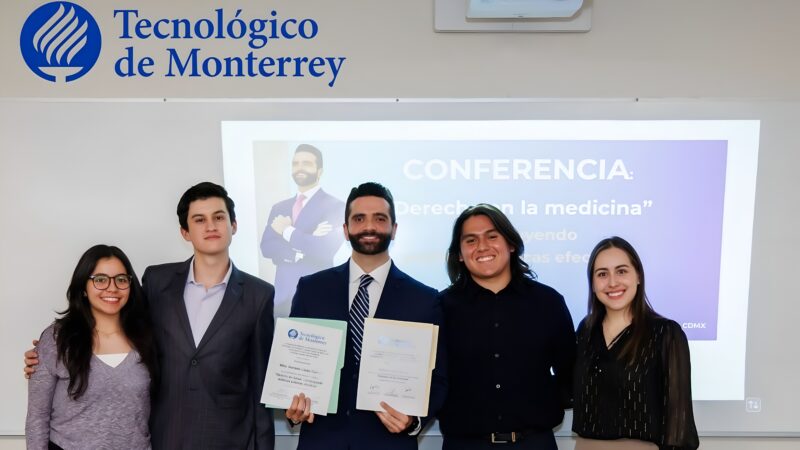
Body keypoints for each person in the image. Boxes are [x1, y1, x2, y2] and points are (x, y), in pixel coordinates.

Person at [26, 182, 276, 450]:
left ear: (234, 225)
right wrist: (46, 357)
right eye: (199, 219)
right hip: (163, 436)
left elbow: (261, 383)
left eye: (219, 217)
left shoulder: (259, 295)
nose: (211, 226)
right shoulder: (158, 282)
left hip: (227, 438)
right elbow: (114, 316)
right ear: (185, 231)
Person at [284, 182, 447, 450]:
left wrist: (414, 421)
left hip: (388, 443)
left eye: (380, 219)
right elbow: (294, 366)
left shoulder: (424, 299)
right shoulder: (311, 288)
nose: (369, 227)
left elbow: (439, 378)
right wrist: (293, 405)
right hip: (322, 442)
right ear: (346, 231)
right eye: (359, 219)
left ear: (394, 230)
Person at [438, 203, 576, 450]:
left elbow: (570, 373)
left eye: (492, 236)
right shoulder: (441, 307)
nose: (482, 246)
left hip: (534, 443)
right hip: (465, 445)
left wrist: (539, 399)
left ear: (511, 244)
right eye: (470, 240)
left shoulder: (548, 302)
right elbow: (432, 379)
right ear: (459, 253)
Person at [572, 236, 699, 450]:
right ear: (592, 284)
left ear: (638, 276)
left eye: (621, 271)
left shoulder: (666, 333)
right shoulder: (585, 330)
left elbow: (679, 421)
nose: (612, 282)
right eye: (602, 274)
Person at [26, 245, 157, 450]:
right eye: (100, 279)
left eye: (121, 279)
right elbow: (37, 417)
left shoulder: (148, 338)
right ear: (83, 288)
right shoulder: (57, 339)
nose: (112, 288)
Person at [260, 144, 345, 317]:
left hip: (319, 296)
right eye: (295, 163)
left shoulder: (336, 206)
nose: (299, 168)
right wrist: (303, 245)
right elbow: (267, 247)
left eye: (306, 163)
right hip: (283, 297)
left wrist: (286, 231)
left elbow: (323, 249)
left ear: (319, 171)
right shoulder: (279, 208)